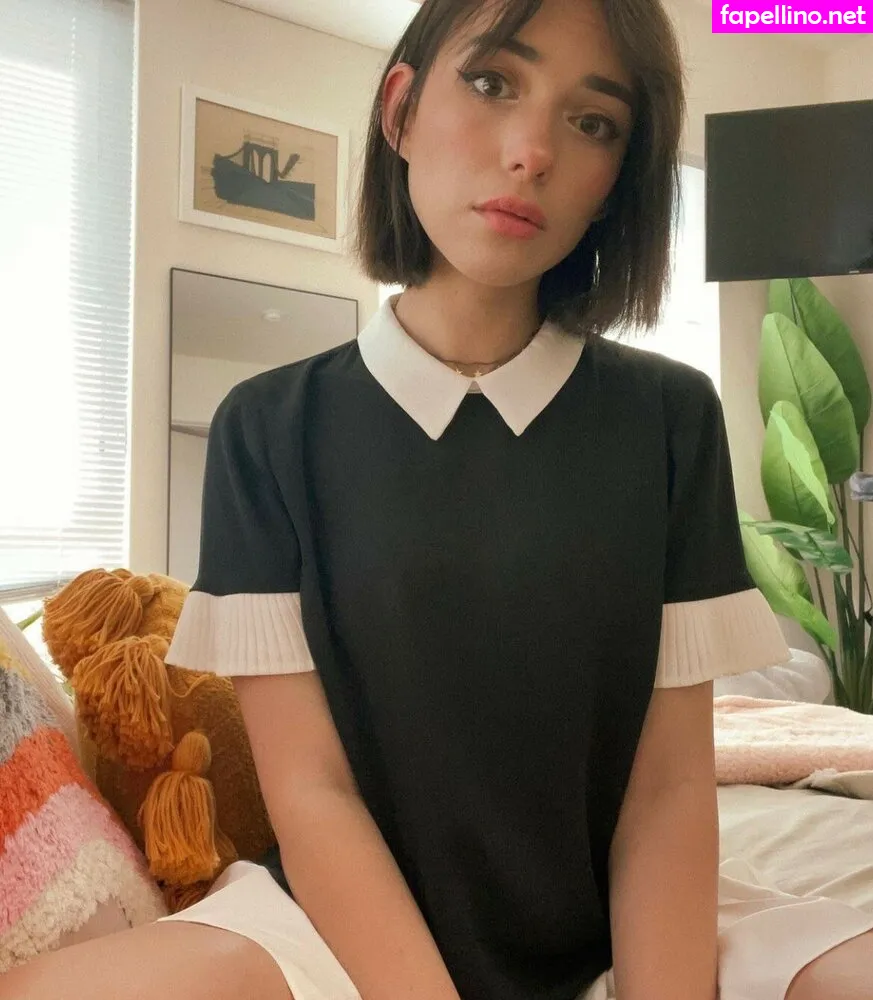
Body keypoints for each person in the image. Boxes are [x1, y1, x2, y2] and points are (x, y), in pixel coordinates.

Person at [3, 0, 873, 998]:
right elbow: (312, 791)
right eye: (494, 82)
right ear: (401, 110)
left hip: (622, 922)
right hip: (331, 927)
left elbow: (670, 785)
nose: (532, 152)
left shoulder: (669, 418)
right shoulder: (268, 428)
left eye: (593, 122)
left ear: (615, 181)